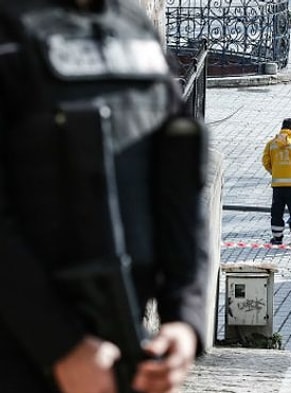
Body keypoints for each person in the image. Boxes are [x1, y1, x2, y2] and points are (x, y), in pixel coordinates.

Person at [0, 1, 209, 392]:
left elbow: (179, 178)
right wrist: (61, 346)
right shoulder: (10, 32)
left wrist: (184, 319)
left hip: (121, 344)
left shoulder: (134, 31)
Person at [263, 118, 291, 245]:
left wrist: (274, 171)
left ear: (282, 128)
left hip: (278, 186)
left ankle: (277, 237)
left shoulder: (271, 143)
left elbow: (265, 161)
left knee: (277, 212)